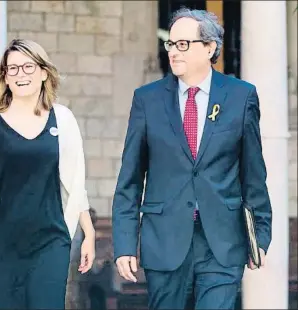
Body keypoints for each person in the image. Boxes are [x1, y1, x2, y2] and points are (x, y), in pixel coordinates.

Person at [112, 8, 272, 310]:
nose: (173, 51)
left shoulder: (241, 96)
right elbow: (130, 180)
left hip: (223, 241)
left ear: (210, 47)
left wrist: (260, 237)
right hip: (165, 239)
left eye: (183, 44)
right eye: (170, 44)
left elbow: (253, 174)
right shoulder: (147, 99)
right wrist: (124, 244)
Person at [0, 39, 95, 309]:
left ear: (43, 73)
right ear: (4, 76)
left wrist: (88, 233)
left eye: (28, 66)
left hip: (48, 244)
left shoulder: (62, 119)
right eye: (12, 69)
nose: (20, 74)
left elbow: (76, 184)